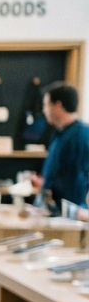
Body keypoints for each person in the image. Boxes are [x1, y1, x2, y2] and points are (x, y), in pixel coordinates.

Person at [32, 82, 89, 214]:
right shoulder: (59, 134)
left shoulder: (82, 135)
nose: (44, 110)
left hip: (73, 213)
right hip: (53, 210)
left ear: (58, 105)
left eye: (46, 105)